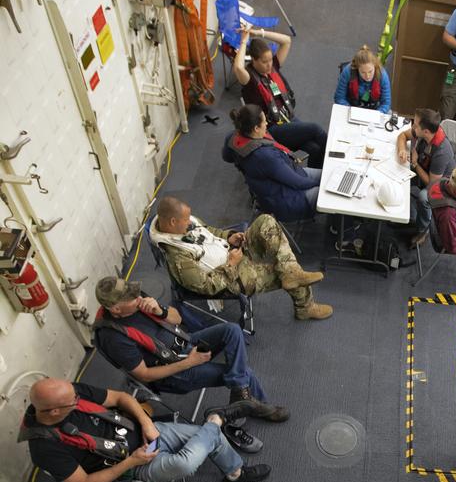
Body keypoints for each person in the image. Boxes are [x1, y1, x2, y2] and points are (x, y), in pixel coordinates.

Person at [93, 276, 288, 433]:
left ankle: (242, 401)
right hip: (173, 373)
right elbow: (143, 375)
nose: (137, 297)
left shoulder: (139, 300)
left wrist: (159, 310)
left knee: (232, 330)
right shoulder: (114, 338)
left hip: (187, 342)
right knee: (244, 371)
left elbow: (177, 318)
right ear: (116, 309)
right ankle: (259, 405)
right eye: (131, 298)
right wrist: (189, 363)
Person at [19, 378, 270, 482]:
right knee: (186, 462)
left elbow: (120, 398)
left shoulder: (71, 392)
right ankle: (216, 420)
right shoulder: (44, 448)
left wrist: (146, 422)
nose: (77, 398)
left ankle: (234, 472)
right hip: (129, 465)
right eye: (72, 400)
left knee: (205, 436)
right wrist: (132, 462)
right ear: (53, 411)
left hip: (146, 431)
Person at [151, 195, 332, 322]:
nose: (190, 222)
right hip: (232, 277)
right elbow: (207, 287)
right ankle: (305, 306)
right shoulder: (178, 258)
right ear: (173, 222)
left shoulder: (183, 222)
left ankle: (291, 272)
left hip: (232, 252)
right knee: (280, 267)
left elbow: (208, 232)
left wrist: (228, 236)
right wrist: (231, 264)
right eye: (185, 220)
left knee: (266, 221)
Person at [232, 20, 328, 169]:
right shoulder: (249, 79)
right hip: (272, 128)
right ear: (254, 60)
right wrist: (244, 40)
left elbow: (286, 40)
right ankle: (334, 160)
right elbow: (238, 67)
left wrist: (258, 33)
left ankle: (318, 176)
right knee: (316, 129)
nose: (270, 65)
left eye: (270, 60)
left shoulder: (273, 67)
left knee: (314, 148)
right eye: (265, 62)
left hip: (288, 118)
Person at [222, 104, 321, 223]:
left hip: (287, 179)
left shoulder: (232, 138)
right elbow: (297, 183)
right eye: (264, 121)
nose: (267, 124)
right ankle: (341, 231)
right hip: (289, 199)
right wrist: (324, 184)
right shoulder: (264, 156)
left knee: (330, 175)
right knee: (339, 197)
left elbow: (227, 157)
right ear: (256, 128)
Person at [396, 107, 456, 246]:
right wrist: (401, 150)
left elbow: (432, 185)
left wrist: (415, 163)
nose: (413, 127)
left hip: (440, 186)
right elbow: (402, 136)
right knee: (398, 175)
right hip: (424, 169)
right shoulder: (422, 132)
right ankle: (403, 215)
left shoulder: (442, 151)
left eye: (416, 125)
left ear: (426, 131)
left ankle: (422, 230)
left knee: (424, 197)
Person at [334, 45, 391, 113]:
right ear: (357, 69)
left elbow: (386, 103)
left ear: (374, 66)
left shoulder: (382, 75)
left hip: (374, 110)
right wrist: (350, 111)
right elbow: (339, 97)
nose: (367, 76)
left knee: (389, 113)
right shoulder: (348, 72)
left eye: (370, 71)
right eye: (363, 72)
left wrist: (376, 114)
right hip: (351, 107)